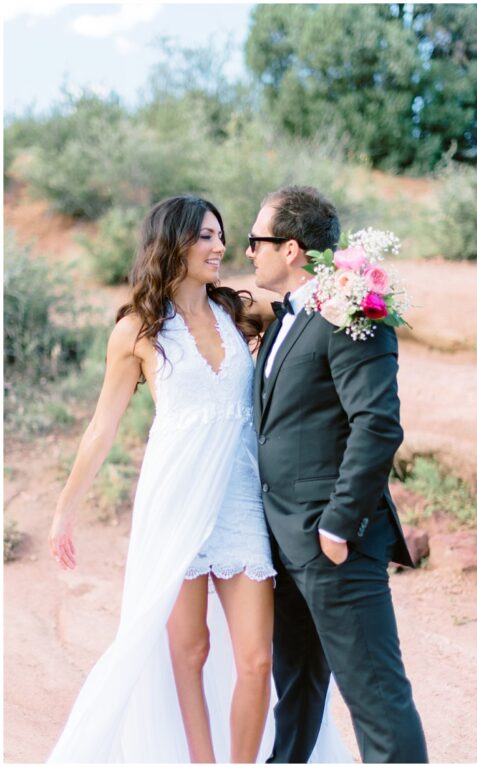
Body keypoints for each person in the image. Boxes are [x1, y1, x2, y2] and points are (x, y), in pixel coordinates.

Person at [47, 195, 349, 763]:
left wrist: (359, 288)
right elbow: (100, 430)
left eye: (221, 236)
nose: (220, 247)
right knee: (190, 652)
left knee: (257, 660)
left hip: (239, 499)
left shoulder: (240, 310)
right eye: (206, 237)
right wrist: (65, 511)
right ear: (174, 243)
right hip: (175, 500)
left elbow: (311, 309)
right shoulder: (136, 329)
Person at [247, 185, 429, 764]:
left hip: (335, 545)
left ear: (292, 248)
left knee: (376, 699)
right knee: (295, 694)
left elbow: (377, 425)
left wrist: (337, 526)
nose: (249, 251)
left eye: (257, 241)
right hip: (283, 543)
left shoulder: (353, 310)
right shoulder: (285, 322)